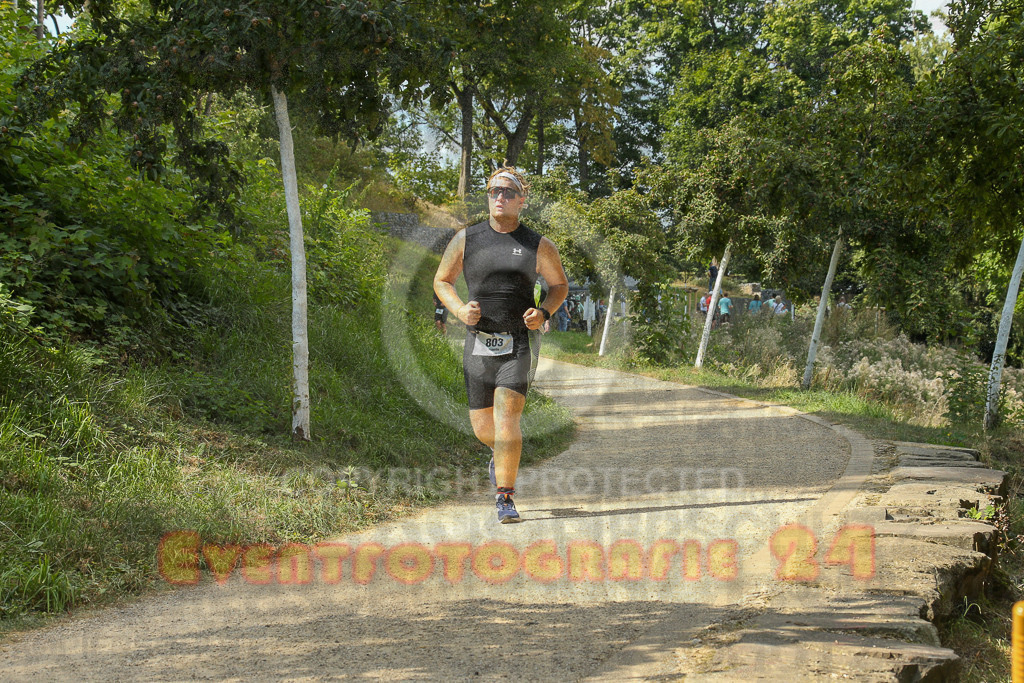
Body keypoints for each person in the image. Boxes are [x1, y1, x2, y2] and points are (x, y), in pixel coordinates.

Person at [434, 167, 568, 524]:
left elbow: (559, 286)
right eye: (494, 190)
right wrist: (459, 310)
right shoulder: (467, 239)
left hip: (519, 342)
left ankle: (505, 497)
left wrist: (543, 311)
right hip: (478, 342)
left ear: (522, 200)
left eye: (508, 192)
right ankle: (501, 455)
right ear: (488, 196)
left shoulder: (538, 245)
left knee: (507, 418)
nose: (500, 197)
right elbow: (442, 280)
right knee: (483, 428)